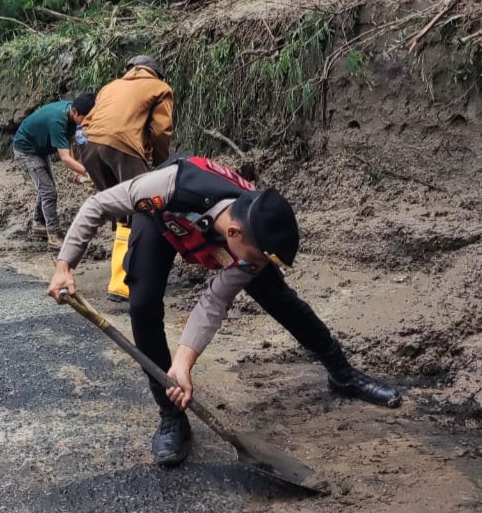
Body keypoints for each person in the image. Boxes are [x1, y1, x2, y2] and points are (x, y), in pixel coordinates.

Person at [48, 155, 402, 467]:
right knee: (142, 304)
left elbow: (214, 302)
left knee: (279, 297)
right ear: (233, 232)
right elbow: (95, 205)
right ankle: (171, 415)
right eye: (256, 257)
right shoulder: (164, 186)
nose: (255, 264)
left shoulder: (253, 234)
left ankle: (342, 373)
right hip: (161, 221)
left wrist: (184, 364)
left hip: (220, 234)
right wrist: (65, 265)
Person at [78, 55, 173, 301]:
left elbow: (86, 123)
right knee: (141, 212)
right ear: (155, 73)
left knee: (122, 211)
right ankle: (126, 283)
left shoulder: (110, 86)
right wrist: (162, 163)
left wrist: (86, 155)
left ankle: (118, 281)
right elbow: (161, 130)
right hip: (123, 148)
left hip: (89, 147)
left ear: (130, 69)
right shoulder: (160, 88)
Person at [12, 94, 95, 249]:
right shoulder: (58, 120)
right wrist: (88, 172)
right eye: (85, 119)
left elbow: (69, 140)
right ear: (75, 112)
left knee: (45, 189)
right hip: (26, 149)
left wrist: (76, 168)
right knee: (49, 191)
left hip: (40, 147)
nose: (87, 123)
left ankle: (38, 223)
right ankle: (53, 235)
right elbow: (64, 158)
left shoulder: (72, 113)